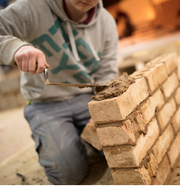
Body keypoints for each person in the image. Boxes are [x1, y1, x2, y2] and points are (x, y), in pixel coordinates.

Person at [0, 0, 118, 184]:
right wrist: (16, 47)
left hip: (86, 99)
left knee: (119, 147)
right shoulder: (32, 7)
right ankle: (50, 133)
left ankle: (80, 136)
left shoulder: (107, 22)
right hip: (44, 104)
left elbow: (107, 72)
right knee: (67, 175)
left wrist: (102, 108)